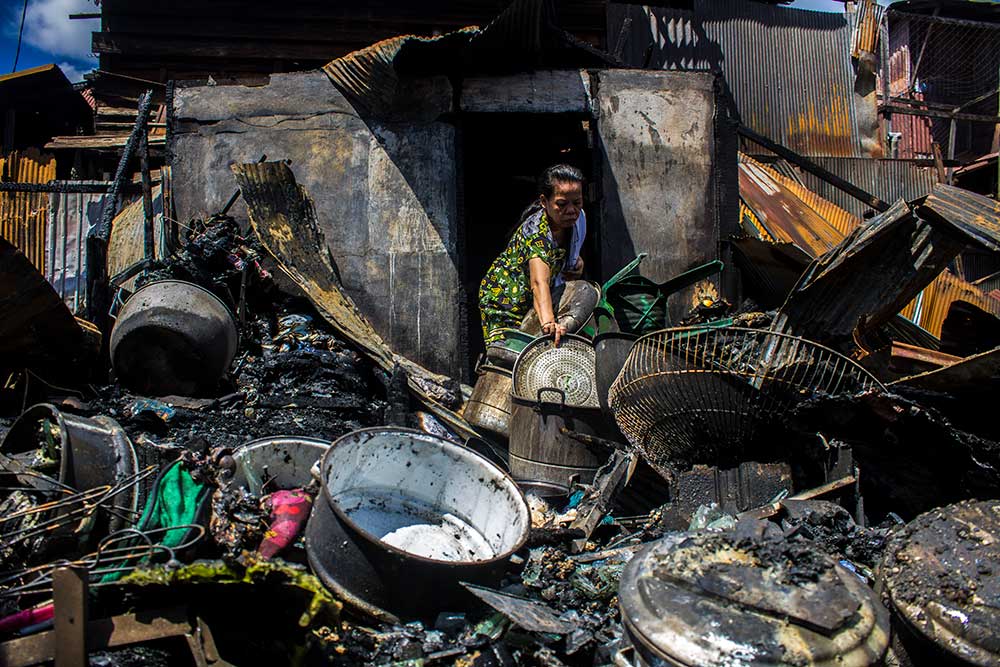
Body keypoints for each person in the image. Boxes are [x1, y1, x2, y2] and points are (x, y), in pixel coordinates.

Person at [479, 164, 586, 347]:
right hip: (504, 304)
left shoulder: (578, 219)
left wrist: (576, 264)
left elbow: (569, 253)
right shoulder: (536, 234)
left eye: (577, 202)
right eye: (561, 204)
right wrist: (549, 324)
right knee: (510, 357)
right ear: (544, 202)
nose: (571, 210)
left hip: (536, 302)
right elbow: (538, 282)